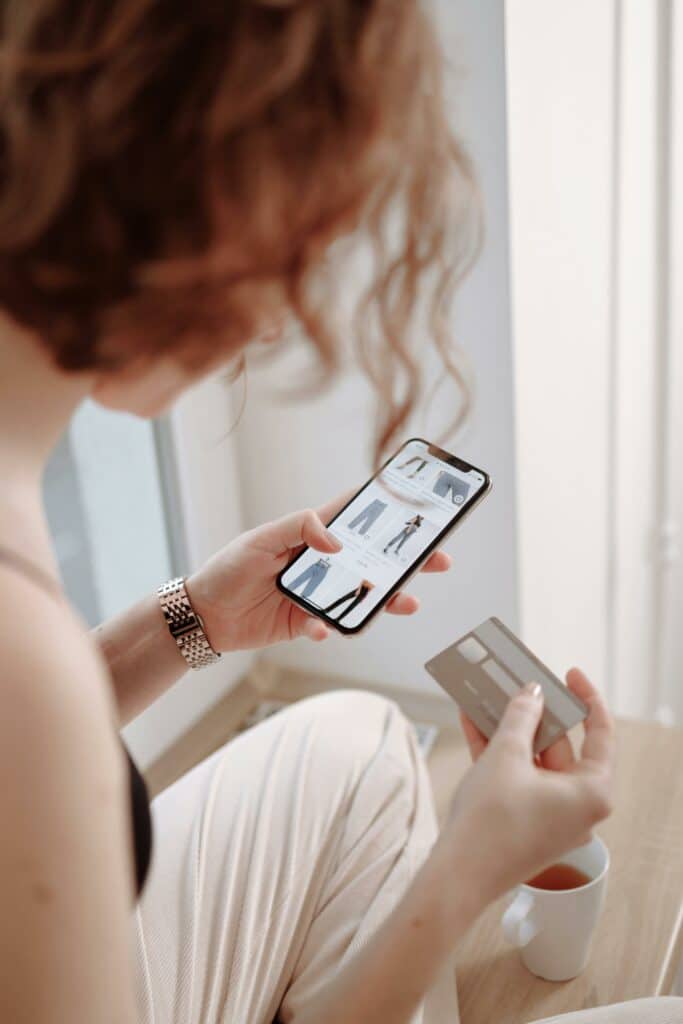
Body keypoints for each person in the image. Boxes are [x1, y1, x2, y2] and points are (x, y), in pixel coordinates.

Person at [0, 2, 680, 1022]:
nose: (278, 315)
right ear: (192, 182)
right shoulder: (22, 667)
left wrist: (193, 618)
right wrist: (461, 870)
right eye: (298, 236)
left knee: (362, 739)